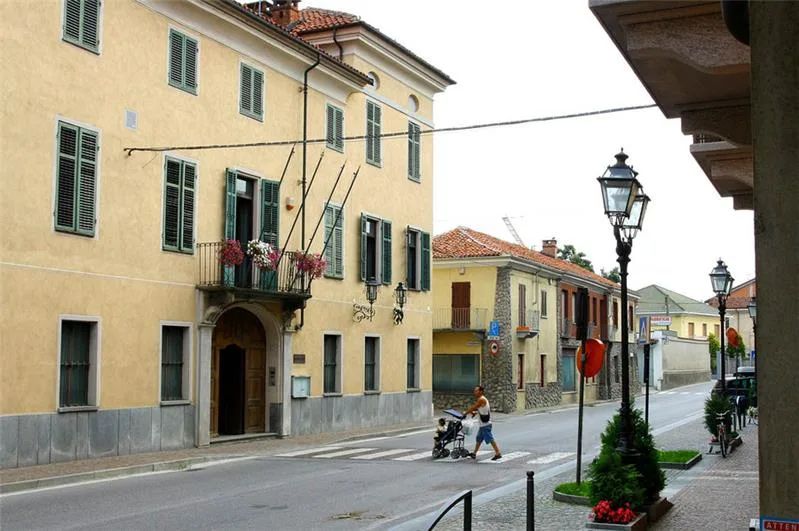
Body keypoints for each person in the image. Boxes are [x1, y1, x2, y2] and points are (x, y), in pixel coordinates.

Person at [463, 385, 502, 461]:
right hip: (483, 424)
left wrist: (465, 413)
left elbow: (473, 407)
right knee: (479, 439)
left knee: (490, 438)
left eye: (476, 391)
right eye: (474, 391)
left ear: (481, 391)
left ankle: (498, 453)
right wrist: (474, 413)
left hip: (485, 425)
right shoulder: (482, 399)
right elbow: (479, 409)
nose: (474, 392)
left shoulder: (481, 399)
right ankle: (474, 453)